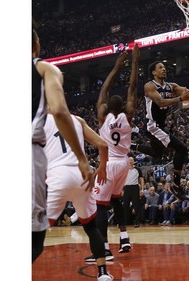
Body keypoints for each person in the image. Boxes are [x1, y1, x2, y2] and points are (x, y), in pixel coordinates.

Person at [32, 29, 91, 263]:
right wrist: (82, 158)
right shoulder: (45, 69)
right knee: (34, 242)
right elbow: (58, 110)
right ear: (37, 44)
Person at [131, 61, 189, 201]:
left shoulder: (170, 86)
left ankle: (130, 146)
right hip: (153, 126)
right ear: (153, 72)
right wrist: (179, 99)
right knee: (182, 149)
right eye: (160, 67)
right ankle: (176, 185)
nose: (164, 69)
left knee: (157, 154)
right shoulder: (149, 86)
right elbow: (160, 102)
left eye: (164, 67)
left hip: (161, 126)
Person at [85, 44, 140, 262]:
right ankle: (124, 237)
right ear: (124, 107)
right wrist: (135, 61)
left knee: (100, 206)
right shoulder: (128, 116)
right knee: (116, 200)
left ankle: (105, 249)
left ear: (108, 106)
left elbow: (103, 89)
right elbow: (133, 87)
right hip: (124, 163)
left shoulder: (102, 115)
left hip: (108, 164)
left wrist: (117, 66)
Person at [43, 113, 113, 281]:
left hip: (58, 175)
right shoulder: (78, 120)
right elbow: (103, 145)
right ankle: (103, 272)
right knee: (90, 227)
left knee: (36, 231)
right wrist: (102, 168)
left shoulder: (39, 121)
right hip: (83, 175)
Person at [123, 156, 144, 228]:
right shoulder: (124, 169)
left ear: (134, 161)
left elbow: (141, 179)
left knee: (136, 205)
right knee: (125, 205)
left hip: (135, 187)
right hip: (126, 188)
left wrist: (142, 189)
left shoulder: (137, 169)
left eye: (132, 160)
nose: (130, 161)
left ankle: (137, 222)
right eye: (129, 160)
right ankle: (124, 222)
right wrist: (121, 189)